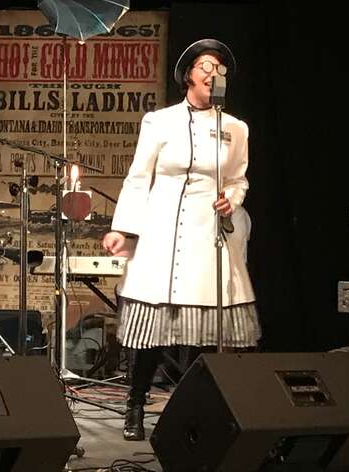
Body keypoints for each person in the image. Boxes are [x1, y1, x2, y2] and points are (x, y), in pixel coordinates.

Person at [102, 38, 260, 441]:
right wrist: (123, 228)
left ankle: (195, 413)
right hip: (163, 235)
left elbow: (239, 179)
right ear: (188, 74)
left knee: (206, 332)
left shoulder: (235, 128)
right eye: (205, 65)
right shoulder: (159, 122)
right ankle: (135, 405)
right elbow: (138, 178)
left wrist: (232, 199)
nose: (213, 73)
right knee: (153, 330)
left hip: (209, 237)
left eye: (220, 68)